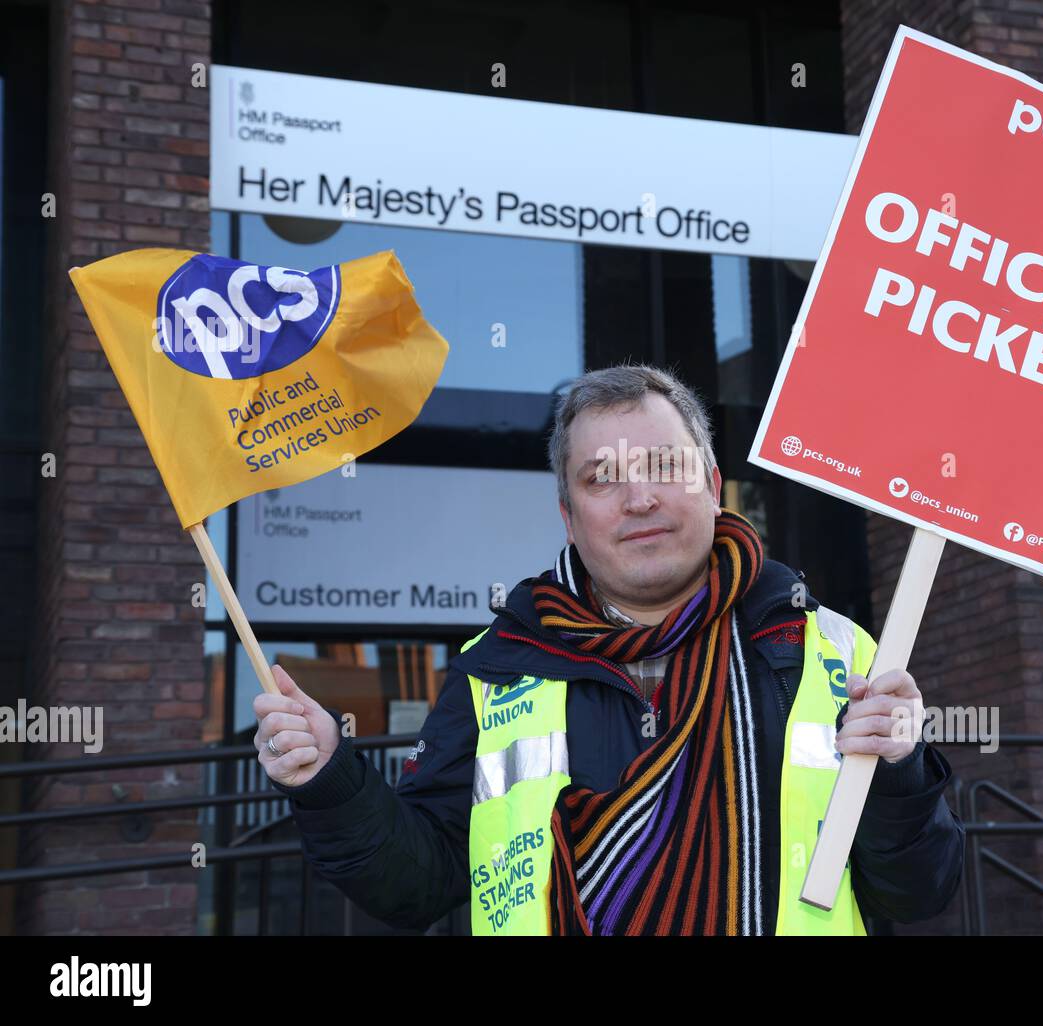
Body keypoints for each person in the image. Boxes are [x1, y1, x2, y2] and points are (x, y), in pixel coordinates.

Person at [255, 364, 964, 935]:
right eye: (602, 479)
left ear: (714, 486)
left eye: (663, 465)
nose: (638, 499)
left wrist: (900, 774)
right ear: (569, 516)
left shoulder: (833, 649)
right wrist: (331, 780)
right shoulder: (494, 667)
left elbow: (917, 891)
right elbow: (418, 886)